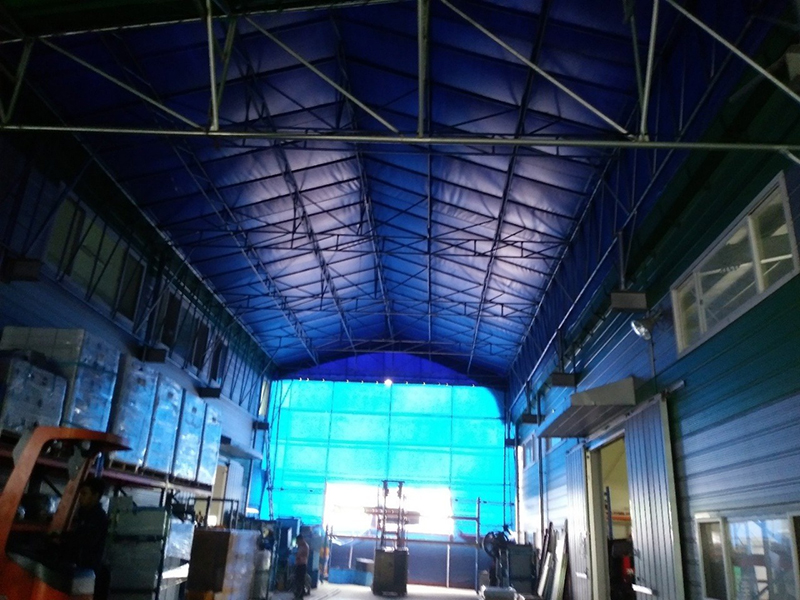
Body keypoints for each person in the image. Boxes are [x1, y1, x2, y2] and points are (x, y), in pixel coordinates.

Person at [61, 476, 110, 599]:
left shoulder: (98, 518)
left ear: (95, 496)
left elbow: (86, 541)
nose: (80, 497)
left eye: (84, 493)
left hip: (89, 571)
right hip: (79, 570)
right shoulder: (83, 515)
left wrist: (66, 540)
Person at [294, 533, 310, 600]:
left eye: (298, 541)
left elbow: (299, 555)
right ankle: (298, 595)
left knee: (300, 581)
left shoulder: (304, 546)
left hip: (302, 565)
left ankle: (300, 596)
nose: (297, 542)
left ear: (301, 540)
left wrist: (296, 555)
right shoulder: (302, 546)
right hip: (300, 564)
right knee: (298, 580)